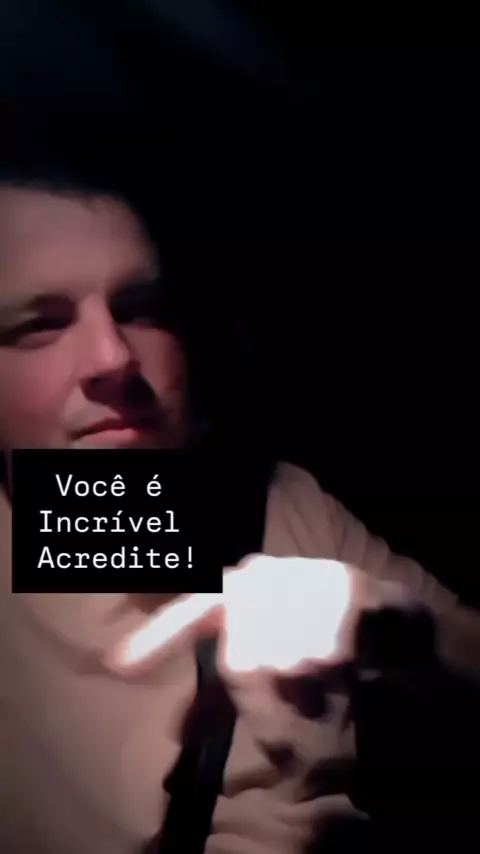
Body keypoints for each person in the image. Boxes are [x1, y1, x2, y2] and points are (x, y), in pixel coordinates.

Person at [0, 169, 479, 854]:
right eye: (39, 326)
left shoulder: (280, 504)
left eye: (141, 308)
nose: (113, 358)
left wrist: (407, 637)